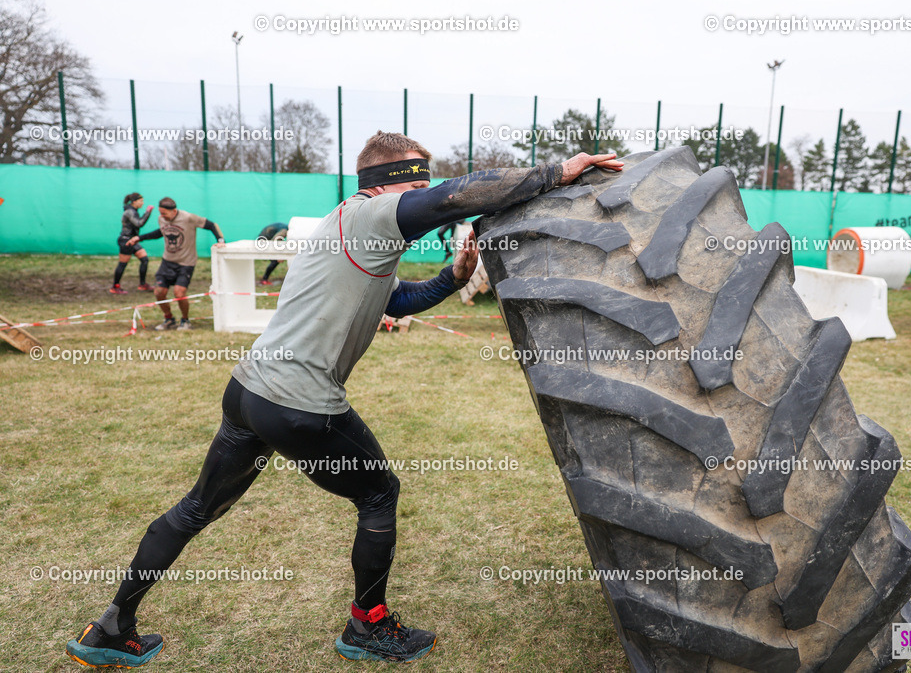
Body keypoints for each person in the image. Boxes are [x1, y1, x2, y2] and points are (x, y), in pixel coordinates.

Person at [66, 131, 623, 668]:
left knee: (196, 507)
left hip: (249, 391)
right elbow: (449, 199)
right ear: (382, 182)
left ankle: (111, 628)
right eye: (412, 184)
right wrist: (558, 171)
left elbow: (398, 300)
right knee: (380, 495)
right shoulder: (372, 212)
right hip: (298, 402)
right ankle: (368, 624)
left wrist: (454, 279)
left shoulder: (347, 228)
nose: (418, 196)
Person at [126, 198, 226, 331]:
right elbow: (160, 232)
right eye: (160, 213)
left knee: (179, 293)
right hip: (167, 261)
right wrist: (140, 238)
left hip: (186, 262)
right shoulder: (162, 219)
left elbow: (212, 225)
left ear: (174, 211)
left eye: (164, 213)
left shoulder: (188, 217)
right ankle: (169, 319)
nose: (162, 216)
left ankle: (185, 321)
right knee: (159, 292)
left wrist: (221, 240)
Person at [111, 193, 154, 294]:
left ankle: (142, 284)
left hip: (133, 240)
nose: (142, 203)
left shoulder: (133, 211)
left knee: (144, 259)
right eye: (141, 201)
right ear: (134, 202)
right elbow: (139, 223)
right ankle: (115, 287)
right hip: (126, 241)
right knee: (123, 264)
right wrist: (147, 212)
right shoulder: (129, 212)